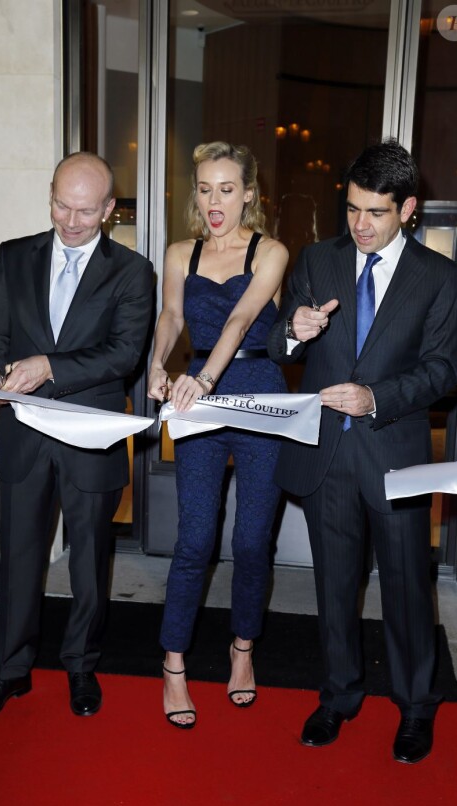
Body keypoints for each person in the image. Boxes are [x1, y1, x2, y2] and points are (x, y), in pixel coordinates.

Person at [267, 139, 457, 763]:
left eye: (376, 212)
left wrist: (376, 397)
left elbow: (445, 371)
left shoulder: (440, 277)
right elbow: (277, 341)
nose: (360, 224)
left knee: (407, 590)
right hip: (327, 456)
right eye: (352, 209)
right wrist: (293, 331)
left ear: (407, 209)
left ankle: (416, 706)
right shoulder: (318, 260)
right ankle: (339, 696)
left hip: (395, 456)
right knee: (334, 588)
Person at [0, 152, 154, 721]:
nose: (71, 221)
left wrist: (49, 366)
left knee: (90, 562)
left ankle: (81, 666)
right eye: (62, 206)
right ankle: (9, 671)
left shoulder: (132, 271)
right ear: (50, 196)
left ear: (110, 208)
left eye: (86, 211)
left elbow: (124, 354)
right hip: (23, 434)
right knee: (19, 557)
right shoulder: (13, 255)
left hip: (90, 433)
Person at [147, 142, 289, 729]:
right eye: (205, 188)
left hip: (258, 397)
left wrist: (203, 377)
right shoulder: (180, 252)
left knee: (253, 541)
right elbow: (172, 316)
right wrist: (157, 363)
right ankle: (174, 664)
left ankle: (242, 649)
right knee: (195, 539)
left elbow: (241, 318)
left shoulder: (272, 251)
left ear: (248, 194)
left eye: (227, 189)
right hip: (198, 405)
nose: (214, 201)